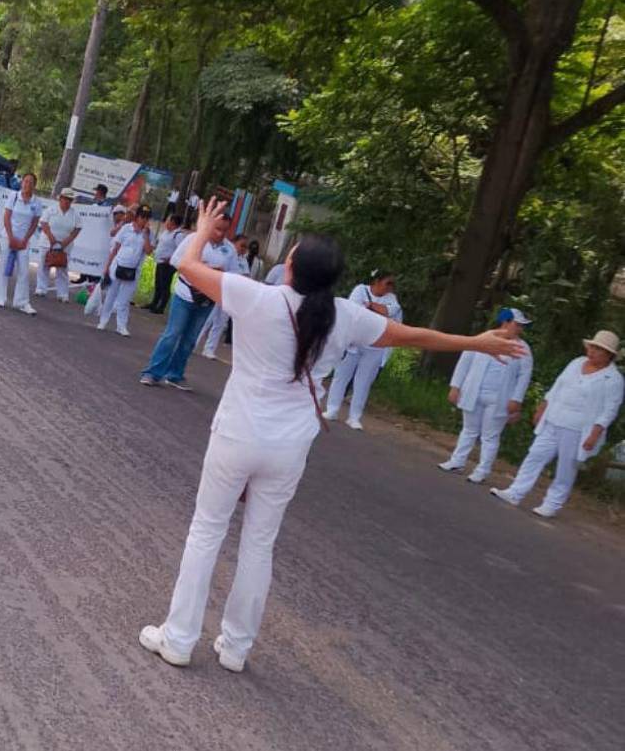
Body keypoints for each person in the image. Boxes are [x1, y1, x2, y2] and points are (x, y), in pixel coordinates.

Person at [137, 198, 525, 673]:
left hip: (237, 434)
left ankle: (178, 639)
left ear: (291, 266)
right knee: (260, 543)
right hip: (290, 447)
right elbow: (413, 336)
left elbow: (184, 263)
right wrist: (475, 343)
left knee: (207, 532)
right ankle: (236, 649)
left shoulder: (256, 297)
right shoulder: (346, 316)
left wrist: (200, 228)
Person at [491, 331, 623, 518]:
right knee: (535, 455)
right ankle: (515, 492)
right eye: (592, 347)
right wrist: (543, 406)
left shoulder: (614, 379)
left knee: (566, 467)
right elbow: (557, 386)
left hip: (578, 428)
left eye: (598, 350)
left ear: (609, 354)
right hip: (554, 418)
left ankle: (552, 504)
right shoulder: (576, 363)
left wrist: (595, 433)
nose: (592, 352)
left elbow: (609, 410)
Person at [139, 209, 236, 390]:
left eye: (224, 230)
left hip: (207, 299)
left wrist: (220, 274)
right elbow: (176, 260)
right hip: (185, 293)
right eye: (217, 229)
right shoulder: (194, 240)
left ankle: (175, 374)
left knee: (190, 339)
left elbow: (233, 274)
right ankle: (152, 372)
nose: (220, 234)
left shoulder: (229, 249)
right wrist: (202, 269)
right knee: (172, 334)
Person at [438, 308, 534, 482]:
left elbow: (524, 376)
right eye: (517, 324)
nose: (519, 329)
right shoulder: (483, 338)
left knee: (490, 435)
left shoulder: (523, 348)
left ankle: (482, 470)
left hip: (500, 397)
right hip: (474, 391)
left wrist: (516, 399)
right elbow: (464, 362)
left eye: (521, 326)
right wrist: (455, 386)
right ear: (505, 322)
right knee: (468, 429)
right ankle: (457, 461)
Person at [323, 269, 401, 430]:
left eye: (392, 284)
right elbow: (354, 311)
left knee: (363, 382)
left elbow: (390, 311)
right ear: (377, 282)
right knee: (341, 376)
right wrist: (375, 311)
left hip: (375, 346)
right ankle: (332, 409)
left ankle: (354, 417)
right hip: (354, 342)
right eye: (388, 283)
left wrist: (370, 306)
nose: (390, 287)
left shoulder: (391, 298)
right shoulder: (360, 290)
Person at [96, 205, 153, 336]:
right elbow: (115, 248)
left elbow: (149, 251)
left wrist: (145, 236)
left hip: (133, 270)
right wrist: (107, 267)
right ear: (137, 217)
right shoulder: (126, 229)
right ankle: (103, 321)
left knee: (124, 299)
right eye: (142, 217)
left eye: (146, 218)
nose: (144, 220)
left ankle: (121, 326)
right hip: (118, 266)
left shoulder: (148, 234)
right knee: (111, 295)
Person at [0, 172, 43, 314]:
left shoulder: (37, 202)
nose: (27, 184)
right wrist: (11, 238)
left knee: (24, 271)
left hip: (24, 241)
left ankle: (21, 302)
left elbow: (34, 224)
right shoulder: (14, 196)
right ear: (22, 183)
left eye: (30, 182)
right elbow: (7, 217)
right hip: (8, 237)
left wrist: (25, 240)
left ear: (34, 185)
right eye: (25, 181)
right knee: (3, 267)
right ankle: (0, 298)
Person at [200, 232, 248, 360]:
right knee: (207, 318)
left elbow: (245, 276)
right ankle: (194, 342)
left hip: (231, 293)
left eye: (245, 247)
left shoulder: (243, 261)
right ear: (234, 243)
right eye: (241, 245)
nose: (243, 249)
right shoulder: (225, 251)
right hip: (217, 288)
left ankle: (209, 348)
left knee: (220, 321)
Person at [35, 189, 82, 301]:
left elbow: (77, 229)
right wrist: (52, 239)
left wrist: (65, 242)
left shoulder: (75, 214)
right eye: (65, 198)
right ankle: (41, 289)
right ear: (60, 198)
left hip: (65, 246)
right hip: (47, 243)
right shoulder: (51, 209)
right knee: (43, 266)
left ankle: (62, 294)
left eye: (69, 199)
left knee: (62, 269)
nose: (67, 201)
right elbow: (44, 223)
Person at [148, 214, 185, 314]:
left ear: (173, 222)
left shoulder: (178, 235)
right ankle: (154, 303)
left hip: (168, 264)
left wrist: (170, 259)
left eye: (168, 220)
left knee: (165, 285)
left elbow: (181, 250)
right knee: (158, 283)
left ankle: (161, 307)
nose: (166, 222)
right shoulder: (166, 232)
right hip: (160, 261)